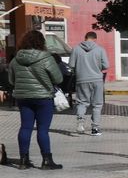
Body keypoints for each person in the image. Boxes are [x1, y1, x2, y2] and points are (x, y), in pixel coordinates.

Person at [7, 30, 64, 170]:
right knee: (43, 129)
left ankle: (23, 161)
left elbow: (11, 80)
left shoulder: (16, 59)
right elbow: (58, 79)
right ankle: (46, 161)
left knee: (25, 127)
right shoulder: (46, 58)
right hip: (43, 98)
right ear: (41, 42)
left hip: (23, 98)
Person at [69, 30, 110, 135]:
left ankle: (80, 124)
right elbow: (106, 66)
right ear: (95, 39)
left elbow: (71, 65)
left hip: (81, 80)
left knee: (82, 102)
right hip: (97, 80)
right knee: (97, 104)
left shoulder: (76, 49)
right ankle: (95, 129)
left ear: (85, 38)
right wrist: (97, 67)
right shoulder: (100, 49)